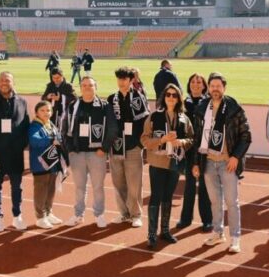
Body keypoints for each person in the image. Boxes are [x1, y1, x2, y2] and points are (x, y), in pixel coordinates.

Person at [192, 73, 251, 253]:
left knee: (232, 202)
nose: (215, 89)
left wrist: (236, 157)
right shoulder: (202, 108)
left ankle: (235, 238)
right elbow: (196, 138)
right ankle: (218, 233)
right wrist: (196, 163)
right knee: (215, 202)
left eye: (218, 86)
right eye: (212, 86)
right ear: (208, 88)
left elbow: (246, 136)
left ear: (224, 87)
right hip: (208, 162)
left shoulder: (234, 108)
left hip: (228, 162)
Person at [141, 83, 194, 248]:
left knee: (168, 197)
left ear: (179, 98)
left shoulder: (184, 119)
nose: (171, 97)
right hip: (157, 163)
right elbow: (144, 140)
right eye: (168, 94)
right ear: (163, 97)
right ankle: (151, 234)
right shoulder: (154, 116)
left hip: (175, 163)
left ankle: (164, 231)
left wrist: (181, 141)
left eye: (175, 95)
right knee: (156, 196)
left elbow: (192, 139)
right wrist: (161, 140)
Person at [63, 75, 117, 228]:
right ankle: (78, 215)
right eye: (84, 85)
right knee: (79, 187)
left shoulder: (104, 106)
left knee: (98, 187)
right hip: (77, 153)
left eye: (90, 85)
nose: (87, 88)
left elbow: (112, 128)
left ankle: (99, 214)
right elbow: (64, 128)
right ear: (81, 88)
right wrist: (70, 149)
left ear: (96, 87)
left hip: (97, 154)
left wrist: (104, 148)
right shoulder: (73, 105)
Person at [0, 71, 30, 232]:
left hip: (15, 154)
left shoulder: (22, 101)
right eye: (1, 80)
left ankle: (17, 216)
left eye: (7, 80)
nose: (4, 82)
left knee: (17, 187)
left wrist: (22, 145)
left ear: (12, 83)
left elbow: (25, 126)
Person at [108, 66, 151, 226]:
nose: (121, 82)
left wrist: (140, 144)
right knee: (118, 182)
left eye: (124, 79)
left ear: (131, 80)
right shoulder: (112, 99)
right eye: (119, 79)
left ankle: (136, 214)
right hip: (116, 146)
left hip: (133, 146)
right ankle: (124, 213)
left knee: (134, 183)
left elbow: (145, 122)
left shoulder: (139, 97)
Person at [176, 73, 212, 232]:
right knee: (189, 185)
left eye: (199, 82)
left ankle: (207, 220)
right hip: (190, 149)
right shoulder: (183, 103)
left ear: (204, 85)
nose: (196, 84)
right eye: (193, 82)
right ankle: (185, 219)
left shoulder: (210, 102)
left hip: (206, 149)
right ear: (189, 84)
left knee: (205, 186)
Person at [29, 100, 66, 229]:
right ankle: (40, 217)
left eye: (48, 110)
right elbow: (34, 141)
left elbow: (60, 138)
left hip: (53, 163)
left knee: (51, 189)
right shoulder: (35, 126)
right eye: (43, 110)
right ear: (37, 112)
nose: (46, 113)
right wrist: (51, 140)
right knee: (41, 190)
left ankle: (48, 213)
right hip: (41, 164)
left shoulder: (50, 124)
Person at [42, 68, 76, 132]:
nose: (55, 80)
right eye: (53, 78)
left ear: (62, 76)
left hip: (64, 113)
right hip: (52, 113)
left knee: (62, 131)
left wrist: (61, 98)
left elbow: (74, 99)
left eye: (57, 78)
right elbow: (43, 98)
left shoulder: (68, 86)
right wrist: (47, 97)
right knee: (51, 131)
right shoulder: (50, 85)